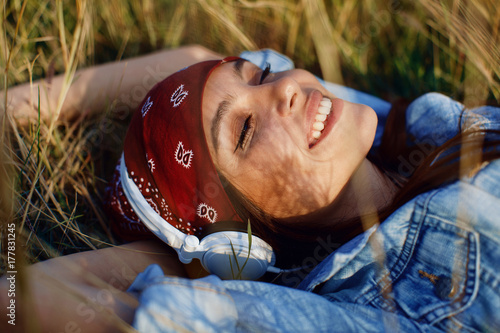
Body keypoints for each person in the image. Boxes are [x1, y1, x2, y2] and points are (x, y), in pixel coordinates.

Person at [1, 46, 500, 332]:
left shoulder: (421, 130)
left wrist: (9, 106)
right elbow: (18, 299)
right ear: (238, 242)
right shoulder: (367, 312)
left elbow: (196, 56)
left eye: (262, 75)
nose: (285, 87)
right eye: (242, 131)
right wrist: (190, 258)